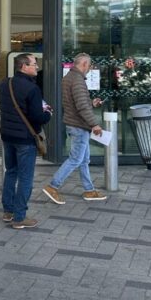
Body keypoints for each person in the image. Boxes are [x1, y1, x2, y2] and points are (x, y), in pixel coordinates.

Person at [43, 53, 107, 205]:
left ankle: (89, 190)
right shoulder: (77, 80)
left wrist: (92, 102)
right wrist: (94, 124)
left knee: (84, 160)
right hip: (78, 126)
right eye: (89, 66)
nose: (90, 69)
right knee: (76, 159)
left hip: (76, 124)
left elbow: (78, 103)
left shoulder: (70, 78)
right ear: (84, 64)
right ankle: (53, 186)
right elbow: (81, 106)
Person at [0, 52, 52, 230]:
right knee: (25, 177)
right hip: (25, 139)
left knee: (11, 171)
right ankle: (20, 217)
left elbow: (2, 107)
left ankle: (8, 211)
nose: (37, 66)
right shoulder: (32, 89)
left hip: (7, 135)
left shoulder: (6, 84)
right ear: (23, 66)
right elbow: (37, 117)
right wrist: (48, 113)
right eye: (33, 64)